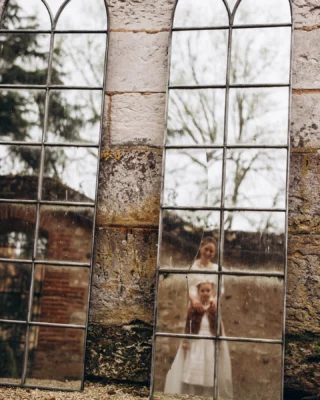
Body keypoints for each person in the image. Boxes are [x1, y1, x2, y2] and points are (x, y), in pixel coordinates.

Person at [164, 237, 233, 399]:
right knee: (192, 344)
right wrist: (195, 301)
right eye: (206, 249)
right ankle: (190, 391)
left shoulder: (216, 268)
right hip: (195, 309)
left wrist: (212, 301)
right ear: (201, 248)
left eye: (211, 251)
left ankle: (209, 391)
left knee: (211, 342)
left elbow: (220, 288)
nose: (208, 253)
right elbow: (189, 286)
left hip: (211, 309)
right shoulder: (193, 266)